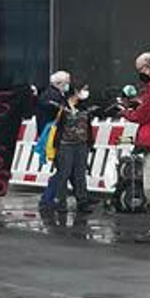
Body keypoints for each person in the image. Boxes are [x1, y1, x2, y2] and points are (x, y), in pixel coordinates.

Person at [125, 52, 150, 244]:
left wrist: (126, 111)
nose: (141, 74)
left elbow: (141, 115)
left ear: (149, 67)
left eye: (141, 70)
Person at [52, 82, 95, 215]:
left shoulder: (84, 107)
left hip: (82, 144)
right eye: (82, 90)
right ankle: (61, 203)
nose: (84, 93)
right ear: (75, 92)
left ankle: (82, 202)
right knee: (64, 174)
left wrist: (90, 143)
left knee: (80, 175)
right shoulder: (61, 107)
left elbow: (88, 125)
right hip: (65, 145)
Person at [36, 71, 74, 210]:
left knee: (67, 169)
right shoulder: (53, 97)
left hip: (54, 136)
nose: (69, 85)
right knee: (64, 169)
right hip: (56, 137)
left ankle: (81, 197)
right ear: (59, 83)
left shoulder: (52, 94)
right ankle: (47, 199)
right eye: (67, 82)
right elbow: (61, 113)